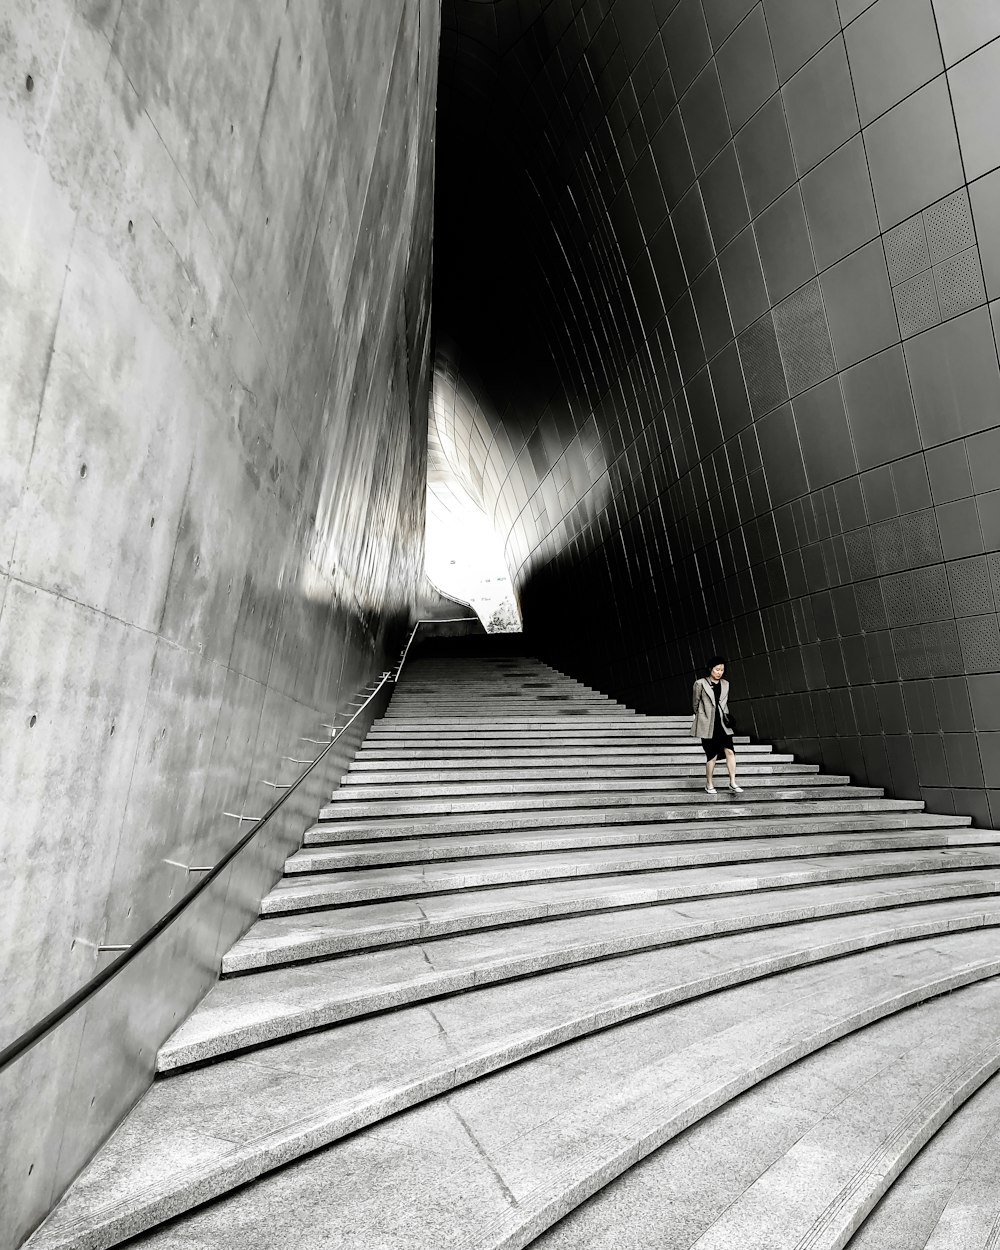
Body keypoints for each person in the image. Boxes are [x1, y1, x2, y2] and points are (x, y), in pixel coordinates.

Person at [691, 656, 743, 794]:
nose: (719, 672)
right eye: (717, 669)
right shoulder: (700, 683)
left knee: (730, 752)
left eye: (722, 670)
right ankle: (709, 784)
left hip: (722, 724)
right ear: (710, 669)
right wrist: (701, 715)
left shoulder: (726, 684)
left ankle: (732, 782)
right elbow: (695, 704)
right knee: (712, 756)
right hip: (708, 724)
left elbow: (724, 703)